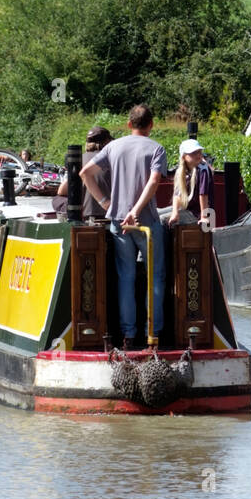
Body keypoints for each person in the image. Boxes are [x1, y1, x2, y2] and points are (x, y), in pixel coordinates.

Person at [80, 105, 168, 349]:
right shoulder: (157, 149)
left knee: (126, 278)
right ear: (151, 125)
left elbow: (85, 173)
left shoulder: (113, 147)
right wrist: (136, 212)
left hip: (118, 222)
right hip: (146, 221)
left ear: (129, 125)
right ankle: (154, 337)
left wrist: (107, 204)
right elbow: (154, 182)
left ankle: (128, 336)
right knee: (156, 278)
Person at [55, 126, 113, 219]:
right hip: (109, 212)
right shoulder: (112, 159)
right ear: (107, 142)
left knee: (58, 199)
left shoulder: (79, 159)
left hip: (85, 214)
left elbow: (61, 191)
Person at [168, 137, 213, 228]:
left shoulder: (203, 169)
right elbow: (177, 194)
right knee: (157, 213)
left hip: (198, 213)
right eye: (193, 153)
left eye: (199, 152)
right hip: (187, 209)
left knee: (162, 219)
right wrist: (175, 212)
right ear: (184, 156)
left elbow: (203, 194)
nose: (198, 155)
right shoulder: (181, 171)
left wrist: (204, 217)